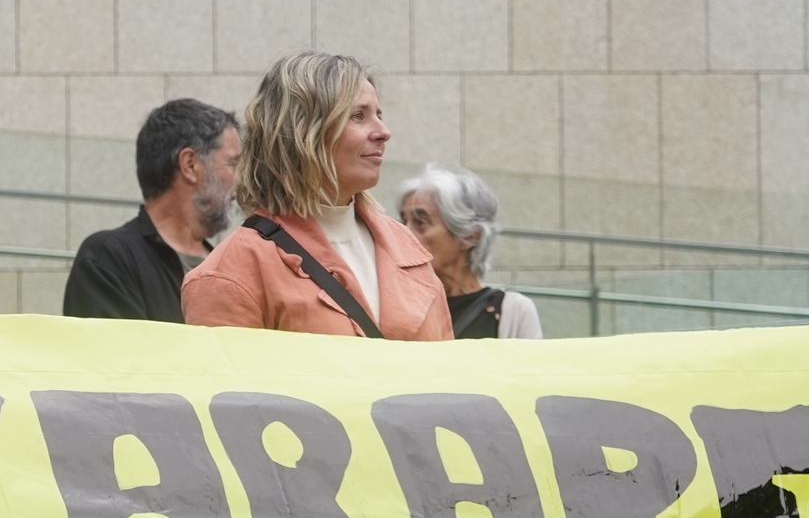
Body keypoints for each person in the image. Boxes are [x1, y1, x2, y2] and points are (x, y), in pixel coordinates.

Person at [182, 53, 453, 341]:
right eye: (358, 116)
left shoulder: (406, 246)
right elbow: (233, 385)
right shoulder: (231, 273)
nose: (383, 133)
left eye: (379, 115)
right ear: (301, 132)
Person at [63, 99, 240, 320]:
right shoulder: (108, 258)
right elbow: (110, 352)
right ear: (190, 165)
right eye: (233, 163)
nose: (243, 179)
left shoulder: (228, 266)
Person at [398, 164, 542, 339]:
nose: (404, 232)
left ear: (470, 236)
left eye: (421, 222)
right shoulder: (399, 305)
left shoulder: (512, 311)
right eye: (403, 221)